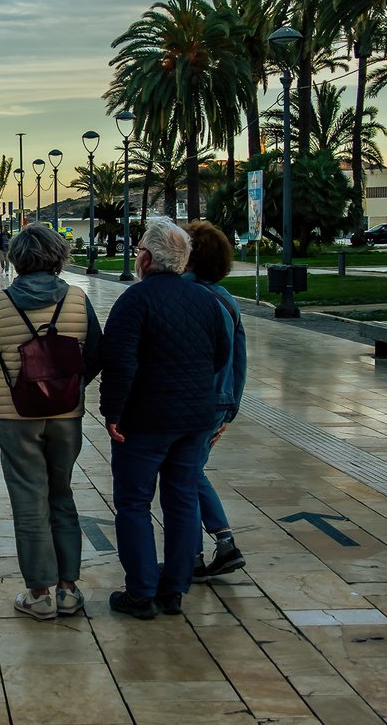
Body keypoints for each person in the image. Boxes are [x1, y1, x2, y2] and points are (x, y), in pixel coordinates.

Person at [100, 216, 231, 619]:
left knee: (135, 503)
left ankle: (140, 592)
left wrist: (112, 412)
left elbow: (119, 361)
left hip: (144, 421)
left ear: (145, 258)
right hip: (193, 419)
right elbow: (221, 355)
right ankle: (174, 588)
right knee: (181, 500)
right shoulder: (207, 300)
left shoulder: (135, 300)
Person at [0, 225, 103, 621]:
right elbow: (95, 355)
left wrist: (3, 392)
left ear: (17, 259)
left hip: (15, 418)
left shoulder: (1, 302)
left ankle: (39, 593)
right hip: (66, 417)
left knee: (29, 499)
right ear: (58, 256)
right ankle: (68, 589)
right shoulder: (78, 299)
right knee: (61, 493)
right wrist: (70, 389)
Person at [184, 220, 248, 582]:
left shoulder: (188, 296)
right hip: (219, 400)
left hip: (197, 401)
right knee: (192, 471)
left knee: (185, 475)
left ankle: (194, 556)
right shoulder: (226, 298)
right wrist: (231, 406)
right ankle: (224, 544)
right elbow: (239, 357)